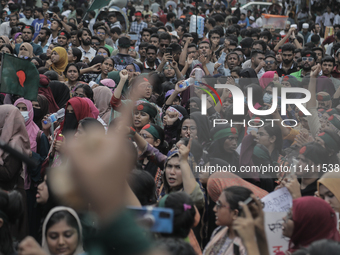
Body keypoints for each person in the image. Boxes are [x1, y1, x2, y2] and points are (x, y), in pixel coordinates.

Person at [203, 186, 251, 255]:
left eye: (219, 205)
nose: (214, 209)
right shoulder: (218, 231)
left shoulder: (247, 246)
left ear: (234, 213)